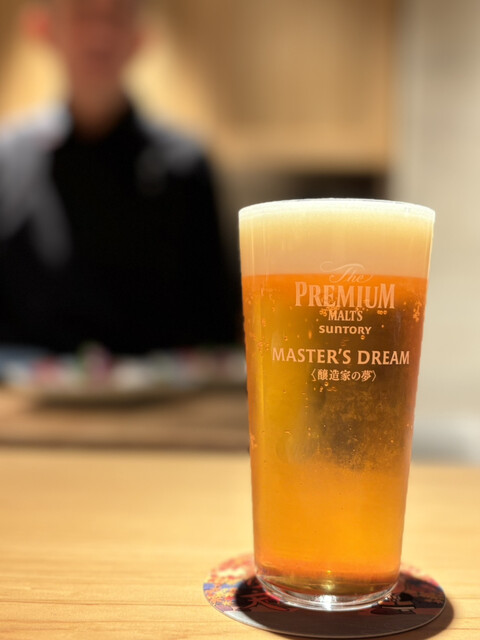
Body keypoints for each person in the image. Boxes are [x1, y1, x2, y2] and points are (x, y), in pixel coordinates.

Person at [0, 0, 238, 354]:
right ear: (44, 29)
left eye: (116, 17)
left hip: (163, 387)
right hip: (29, 387)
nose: (100, 35)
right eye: (82, 15)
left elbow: (217, 326)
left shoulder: (187, 165)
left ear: (140, 37)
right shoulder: (6, 161)